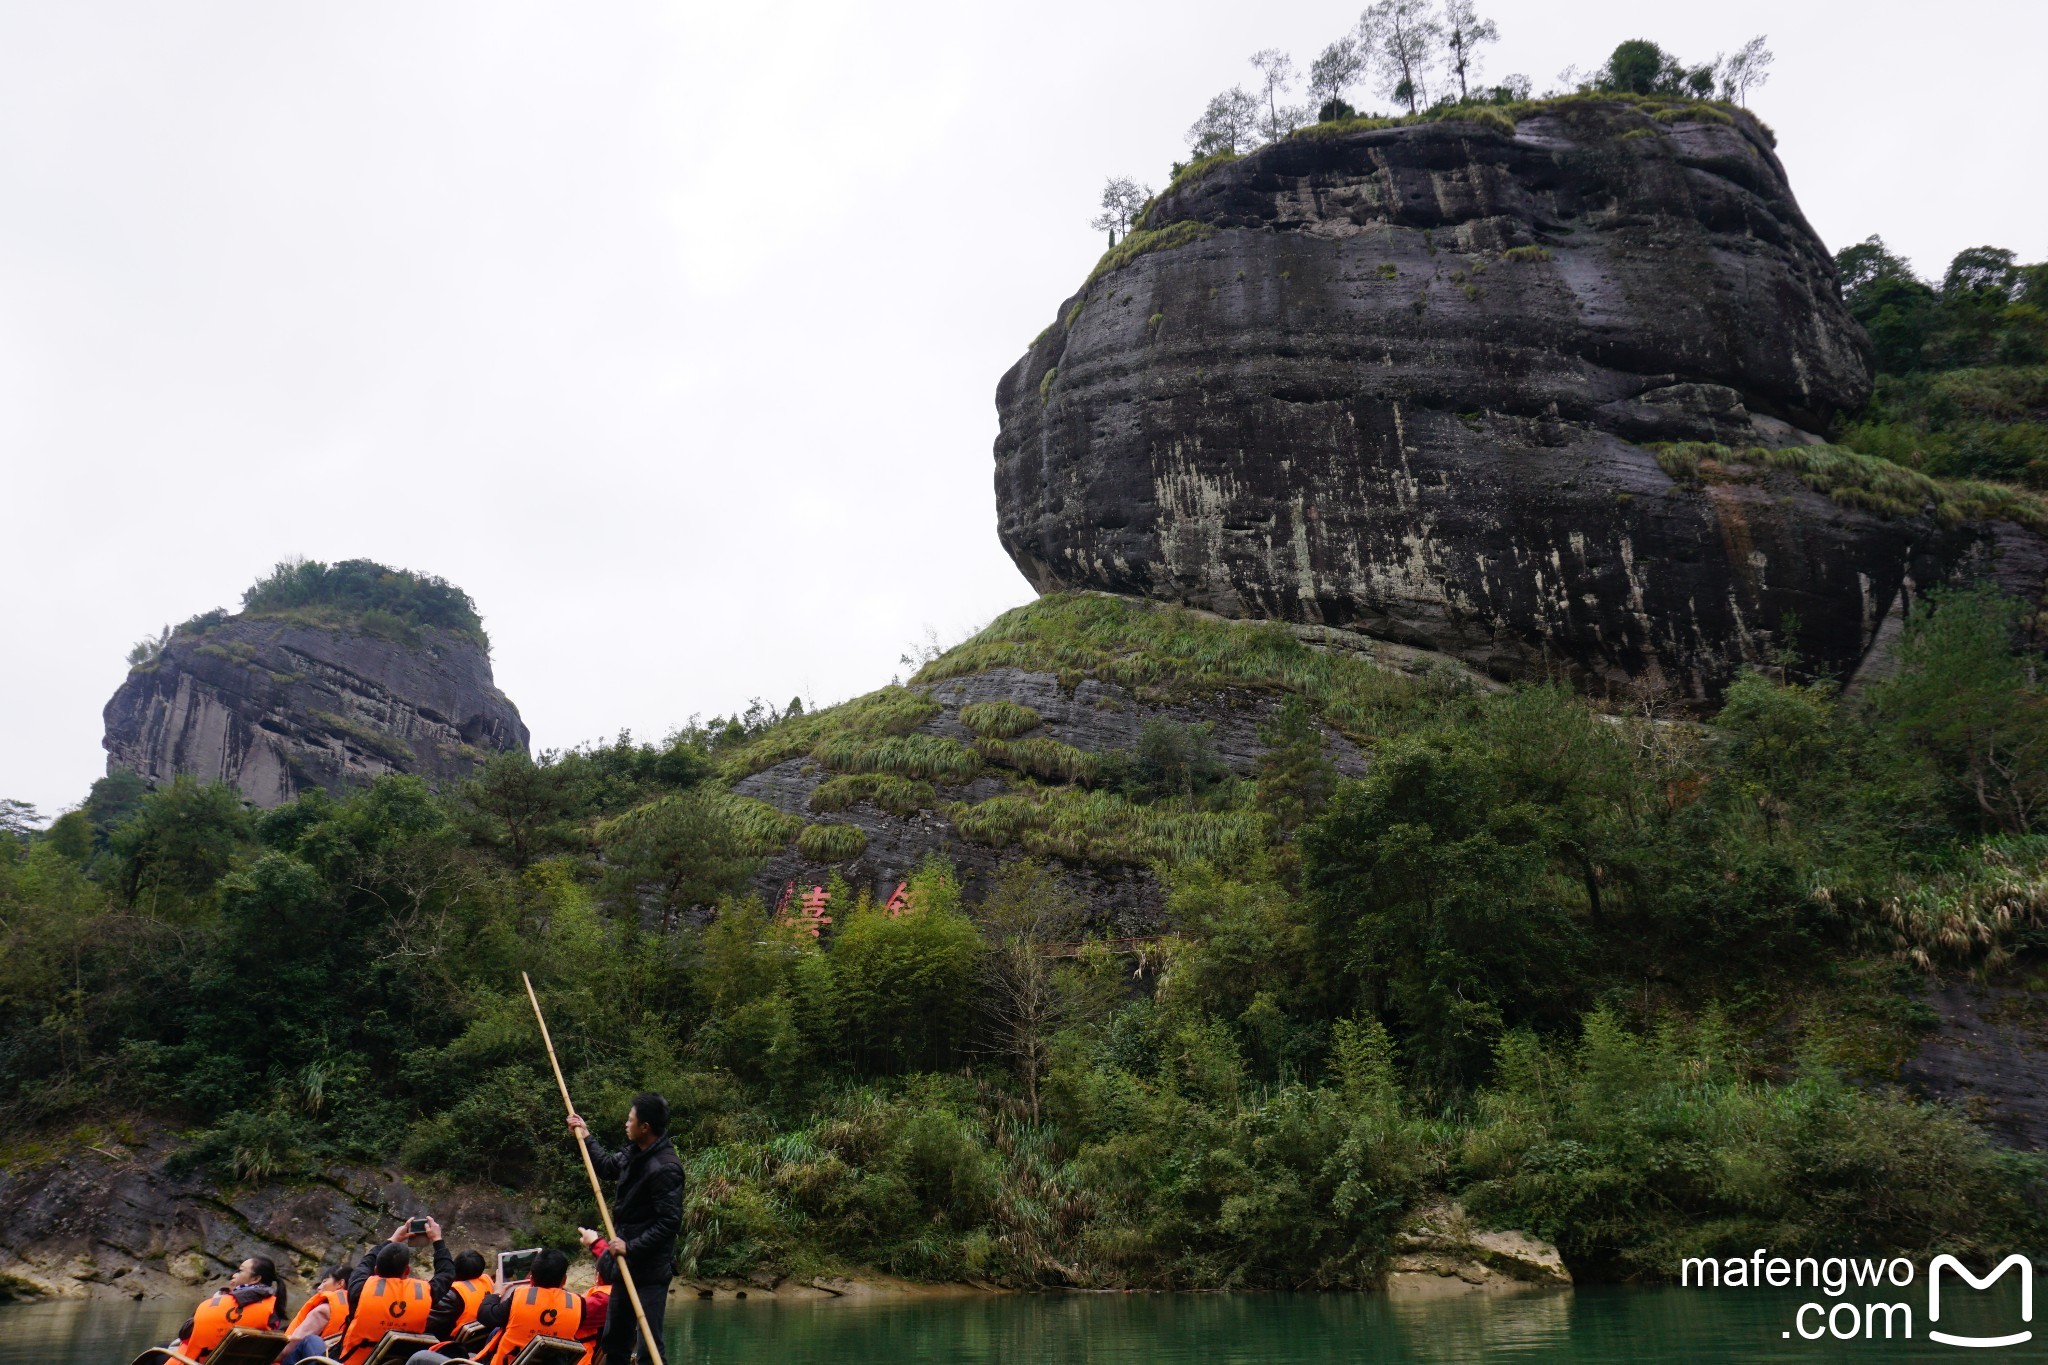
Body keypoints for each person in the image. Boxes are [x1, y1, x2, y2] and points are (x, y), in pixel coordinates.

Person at [568, 1092, 682, 1365]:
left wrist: (631, 1246)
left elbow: (669, 1223)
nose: (626, 1124)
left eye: (630, 1120)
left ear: (645, 1127)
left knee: (648, 1349)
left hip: (650, 1269)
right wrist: (585, 1136)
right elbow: (607, 1166)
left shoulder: (665, 1168)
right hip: (623, 1264)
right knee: (614, 1341)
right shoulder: (636, 1152)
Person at [403, 1248, 582, 1365]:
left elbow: (486, 1316)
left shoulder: (519, 1297)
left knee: (419, 1358)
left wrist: (496, 1293)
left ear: (531, 1279)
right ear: (564, 1280)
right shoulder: (578, 1303)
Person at [332, 1218, 456, 1363]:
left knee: (310, 1341)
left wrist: (393, 1239)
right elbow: (447, 1273)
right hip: (398, 1361)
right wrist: (437, 1240)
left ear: (376, 1270)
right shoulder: (424, 1294)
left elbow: (365, 1263)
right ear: (407, 1270)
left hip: (352, 1360)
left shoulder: (360, 1289)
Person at [165, 1255, 286, 1362]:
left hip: (198, 1361)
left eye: (240, 1271)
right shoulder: (275, 1307)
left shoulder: (213, 1304)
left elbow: (184, 1333)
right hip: (245, 1361)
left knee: (162, 1350)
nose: (234, 1275)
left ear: (255, 1279)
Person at [273, 1265, 350, 1363]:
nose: (319, 1287)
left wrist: (270, 1358)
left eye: (324, 1281)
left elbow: (296, 1340)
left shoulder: (324, 1310)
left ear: (340, 1283)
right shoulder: (353, 1311)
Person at [420, 1249, 494, 1344]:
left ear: (455, 1268)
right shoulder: (488, 1282)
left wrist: (431, 1291)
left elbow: (424, 1321)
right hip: (476, 1342)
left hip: (447, 1346)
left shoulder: (453, 1295)